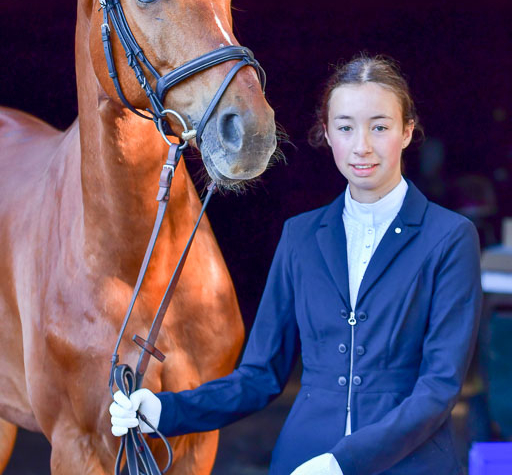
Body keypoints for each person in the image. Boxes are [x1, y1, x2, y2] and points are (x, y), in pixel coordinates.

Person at [110, 54, 482, 475]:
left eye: (379, 127)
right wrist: (164, 410)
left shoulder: (449, 237)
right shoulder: (300, 236)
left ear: (407, 131)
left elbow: (438, 389)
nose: (361, 146)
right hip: (303, 460)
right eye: (345, 128)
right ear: (326, 133)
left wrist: (343, 462)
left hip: (409, 465)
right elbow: (260, 376)